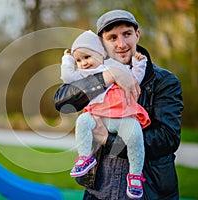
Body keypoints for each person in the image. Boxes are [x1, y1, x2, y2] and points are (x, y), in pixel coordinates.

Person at [54, 9, 183, 199]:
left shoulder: (164, 81)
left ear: (137, 34)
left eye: (127, 34)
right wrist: (109, 76)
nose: (121, 44)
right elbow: (62, 100)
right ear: (102, 44)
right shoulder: (93, 73)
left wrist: (108, 141)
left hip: (148, 192)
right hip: (98, 191)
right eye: (112, 37)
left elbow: (167, 139)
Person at [60, 30, 150, 199]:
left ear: (100, 54)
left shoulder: (113, 66)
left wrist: (139, 65)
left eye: (87, 57)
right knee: (83, 121)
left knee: (135, 134)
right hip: (97, 116)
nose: (84, 63)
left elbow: (134, 79)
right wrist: (68, 59)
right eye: (79, 60)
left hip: (121, 116)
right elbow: (67, 77)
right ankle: (85, 158)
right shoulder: (82, 75)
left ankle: (135, 175)